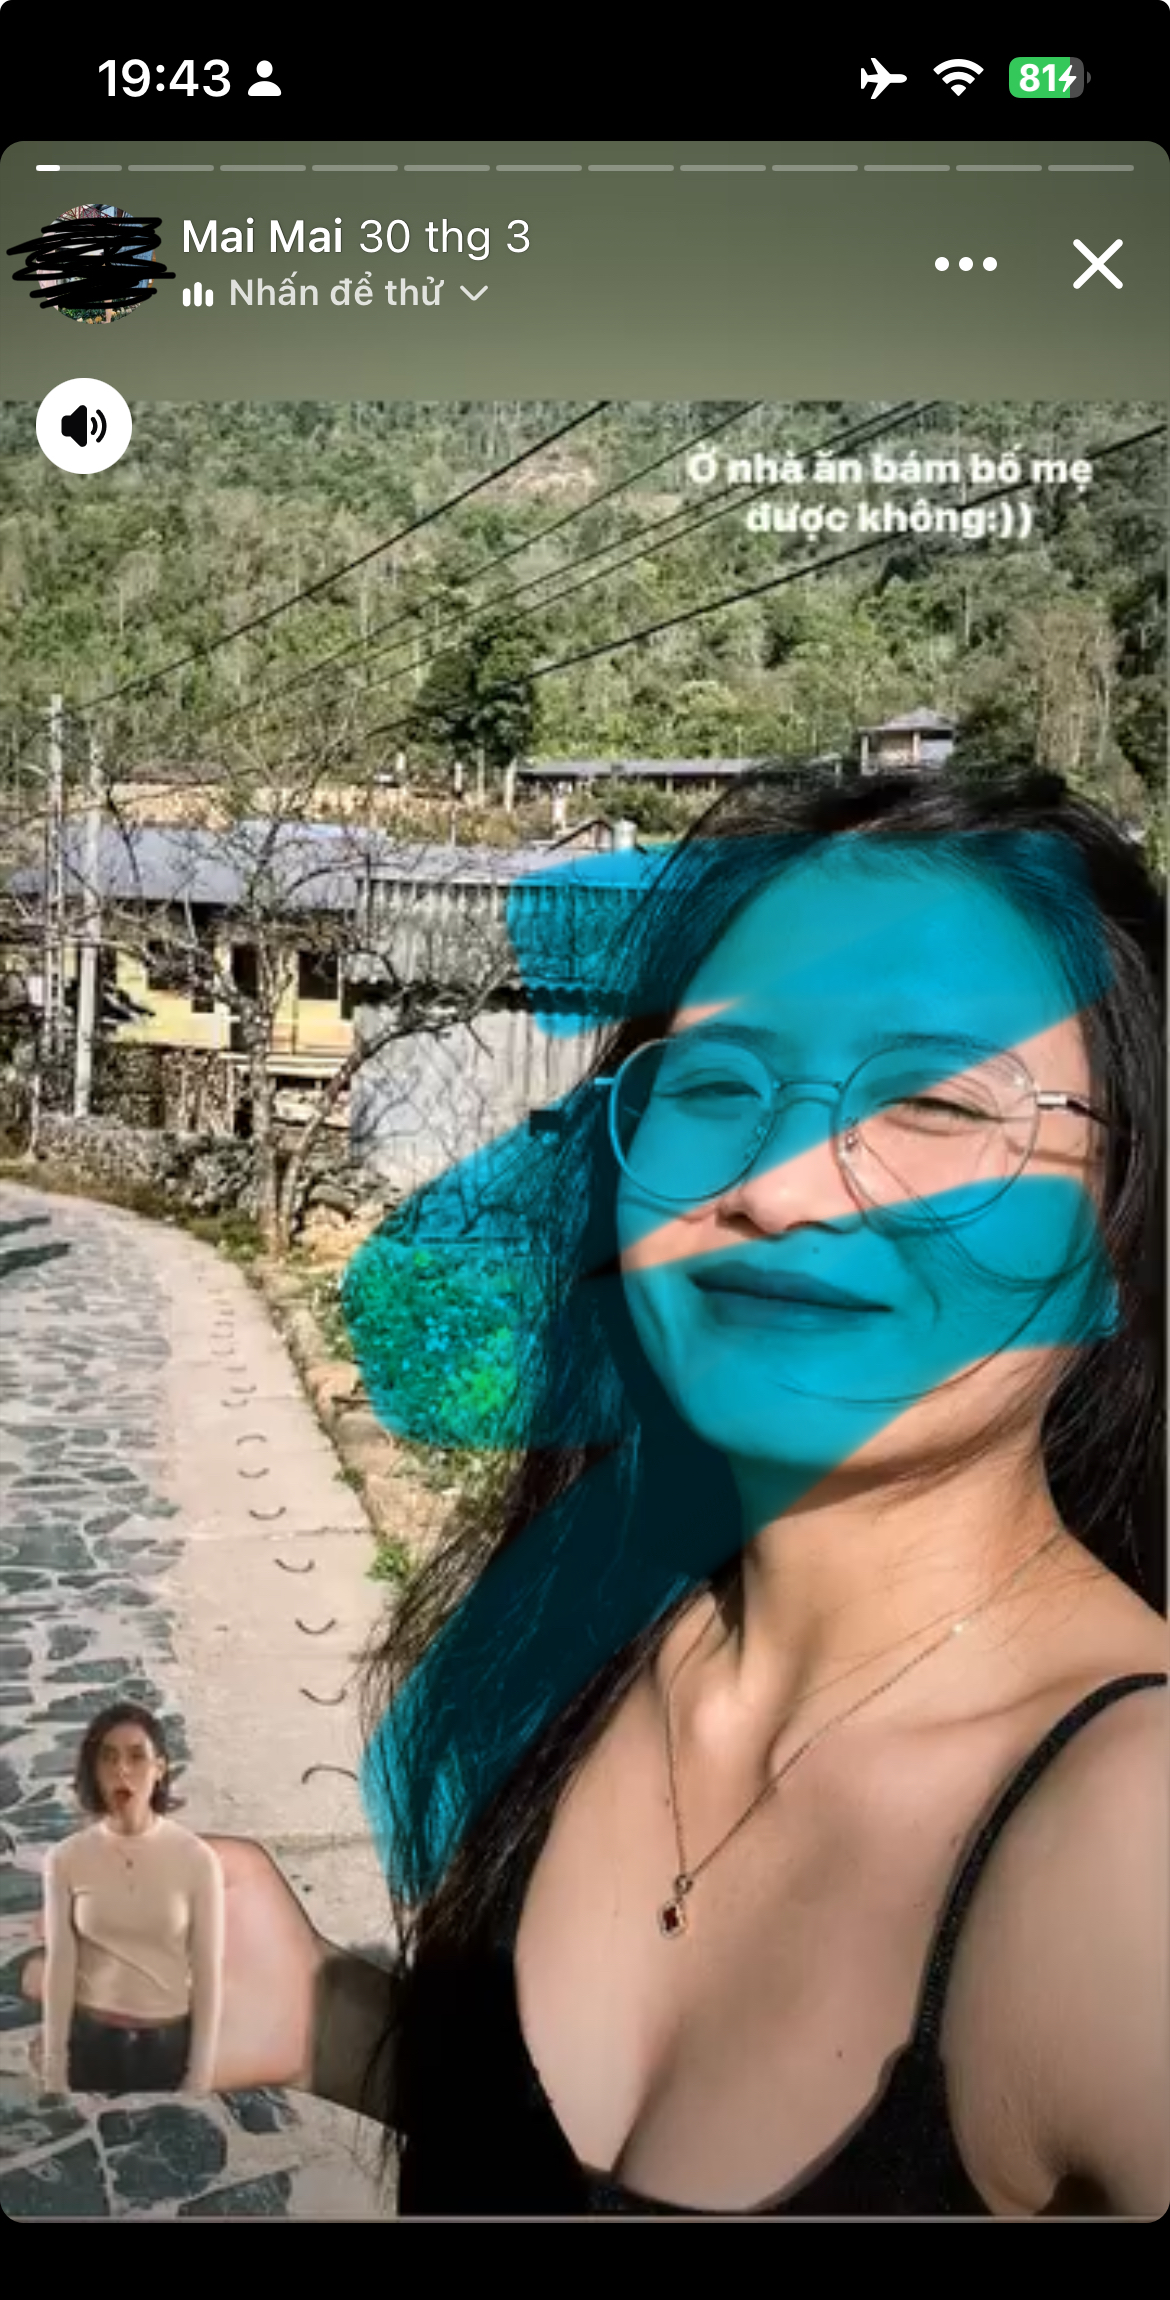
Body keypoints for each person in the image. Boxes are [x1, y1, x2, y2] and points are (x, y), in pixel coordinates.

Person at [21, 770, 1169, 2214]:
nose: (780, 1187)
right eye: (715, 1084)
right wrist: (328, 2017)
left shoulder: (1128, 1845)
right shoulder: (601, 1631)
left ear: (1119, 1236)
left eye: (937, 1099)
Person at [38, 1703, 226, 2100]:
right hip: (91, 2042)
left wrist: (201, 2074)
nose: (122, 1770)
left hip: (167, 2045)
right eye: (108, 1758)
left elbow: (208, 1971)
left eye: (137, 1756)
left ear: (160, 1768)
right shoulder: (65, 1859)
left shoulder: (197, 1859)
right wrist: (55, 2068)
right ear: (94, 1770)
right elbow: (60, 1965)